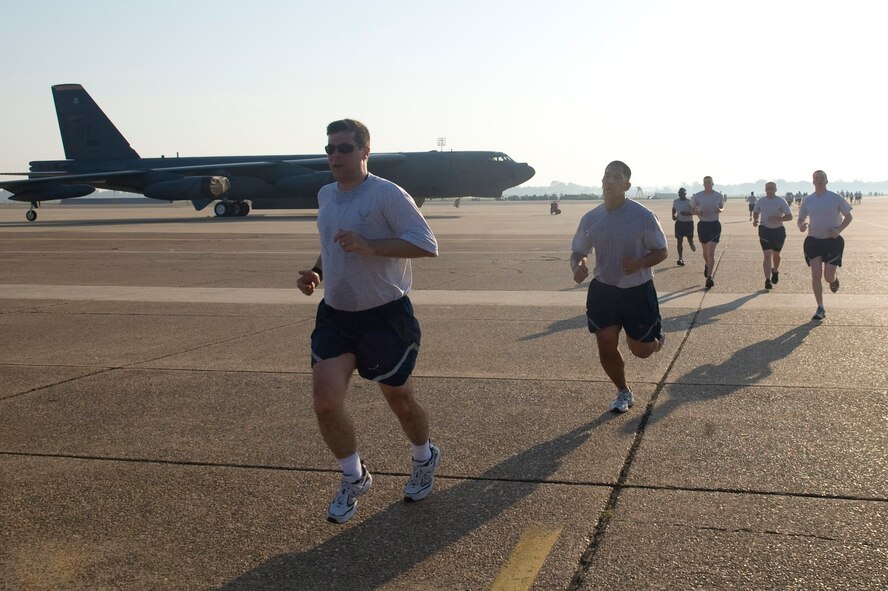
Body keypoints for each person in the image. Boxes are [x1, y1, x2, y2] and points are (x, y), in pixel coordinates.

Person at [296, 119, 440, 524]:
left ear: (364, 151)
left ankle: (424, 456)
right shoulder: (326, 194)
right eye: (330, 149)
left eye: (343, 148)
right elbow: (332, 246)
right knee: (325, 402)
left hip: (384, 316)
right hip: (336, 315)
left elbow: (426, 245)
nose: (335, 156)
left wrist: (370, 246)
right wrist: (317, 272)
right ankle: (353, 476)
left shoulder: (387, 194)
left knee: (400, 400)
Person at [570, 161, 668, 413]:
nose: (610, 180)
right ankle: (623, 391)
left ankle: (656, 342)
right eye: (606, 176)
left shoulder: (643, 216)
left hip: (637, 290)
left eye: (616, 177)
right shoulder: (591, 218)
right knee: (605, 342)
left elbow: (662, 251)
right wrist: (578, 265)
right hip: (604, 290)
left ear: (627, 185)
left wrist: (640, 263)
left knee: (641, 351)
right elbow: (578, 251)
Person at [797, 170, 853, 321]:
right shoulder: (808, 200)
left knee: (827, 277)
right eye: (816, 178)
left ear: (826, 181)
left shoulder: (834, 198)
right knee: (816, 274)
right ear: (813, 181)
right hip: (813, 241)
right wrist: (801, 225)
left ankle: (833, 280)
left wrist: (838, 229)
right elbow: (800, 219)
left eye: (822, 177)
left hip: (832, 242)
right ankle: (820, 307)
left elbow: (849, 216)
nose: (819, 180)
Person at [752, 181, 793, 290]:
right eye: (767, 188)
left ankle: (775, 270)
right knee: (767, 255)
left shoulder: (781, 201)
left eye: (771, 188)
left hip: (778, 231)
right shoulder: (761, 201)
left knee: (776, 255)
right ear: (765, 190)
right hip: (764, 230)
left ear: (775, 190)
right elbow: (756, 212)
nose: (769, 190)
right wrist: (755, 220)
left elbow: (789, 216)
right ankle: (767, 280)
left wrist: (778, 219)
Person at [690, 176, 725, 289]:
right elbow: (691, 209)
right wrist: (698, 213)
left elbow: (722, 207)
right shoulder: (698, 196)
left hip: (714, 225)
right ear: (703, 184)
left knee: (711, 253)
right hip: (703, 225)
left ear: (713, 183)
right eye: (705, 183)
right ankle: (707, 265)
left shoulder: (718, 196)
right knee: (705, 252)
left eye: (709, 182)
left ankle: (709, 277)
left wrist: (719, 210)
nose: (707, 184)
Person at [671, 188, 696, 265]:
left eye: (683, 193)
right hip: (679, 224)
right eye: (680, 193)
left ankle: (691, 244)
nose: (681, 194)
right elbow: (674, 209)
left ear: (685, 194)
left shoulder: (690, 202)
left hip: (688, 224)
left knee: (690, 240)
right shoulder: (676, 201)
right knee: (679, 241)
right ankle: (680, 258)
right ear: (678, 193)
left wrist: (688, 213)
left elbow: (695, 211)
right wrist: (673, 216)